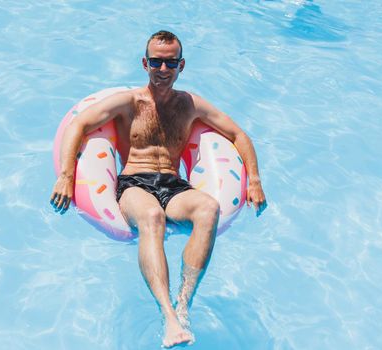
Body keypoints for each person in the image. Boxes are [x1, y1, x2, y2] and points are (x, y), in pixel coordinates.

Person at [50, 30, 266, 348]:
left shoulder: (189, 104)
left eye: (170, 63)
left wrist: (256, 181)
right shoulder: (129, 103)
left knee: (209, 208)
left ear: (181, 65)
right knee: (151, 216)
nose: (162, 70)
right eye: (156, 62)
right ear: (144, 63)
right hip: (135, 183)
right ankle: (169, 317)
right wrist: (67, 176)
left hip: (174, 185)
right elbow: (79, 125)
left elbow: (238, 134)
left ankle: (183, 303)